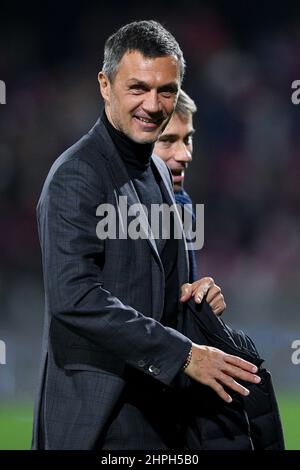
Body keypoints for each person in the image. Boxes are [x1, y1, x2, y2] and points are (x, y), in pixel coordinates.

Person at [32, 20, 261, 450]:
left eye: (166, 91)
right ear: (105, 84)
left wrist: (197, 298)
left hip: (159, 413)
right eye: (137, 88)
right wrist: (185, 354)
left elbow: (162, 291)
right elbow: (74, 297)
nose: (153, 105)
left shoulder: (156, 170)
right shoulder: (76, 176)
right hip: (99, 420)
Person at [154, 89, 198, 282]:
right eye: (167, 141)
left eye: (187, 139)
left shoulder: (180, 204)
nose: (185, 155)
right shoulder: (107, 204)